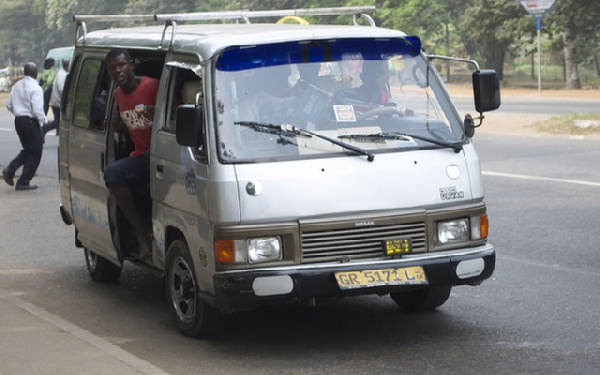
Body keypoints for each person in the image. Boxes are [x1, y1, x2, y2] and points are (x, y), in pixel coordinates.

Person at [103, 48, 159, 259]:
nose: (118, 71)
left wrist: (151, 112)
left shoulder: (151, 85)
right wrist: (116, 125)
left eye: (122, 65)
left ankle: (142, 230)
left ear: (131, 65)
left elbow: (174, 116)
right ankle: (141, 229)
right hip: (141, 156)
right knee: (113, 175)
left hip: (160, 155)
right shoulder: (118, 94)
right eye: (113, 68)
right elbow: (131, 122)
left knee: (113, 173)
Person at [3, 62, 48, 191]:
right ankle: (23, 181)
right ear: (35, 73)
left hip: (19, 121)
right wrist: (44, 122)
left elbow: (8, 104)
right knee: (35, 152)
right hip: (30, 122)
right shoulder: (36, 87)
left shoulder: (17, 86)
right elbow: (37, 110)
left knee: (28, 149)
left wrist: (19, 114)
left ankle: (11, 169)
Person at [42, 59, 69, 136]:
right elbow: (61, 89)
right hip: (57, 101)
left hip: (57, 100)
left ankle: (58, 131)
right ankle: (45, 127)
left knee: (59, 120)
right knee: (59, 121)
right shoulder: (62, 75)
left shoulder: (62, 73)